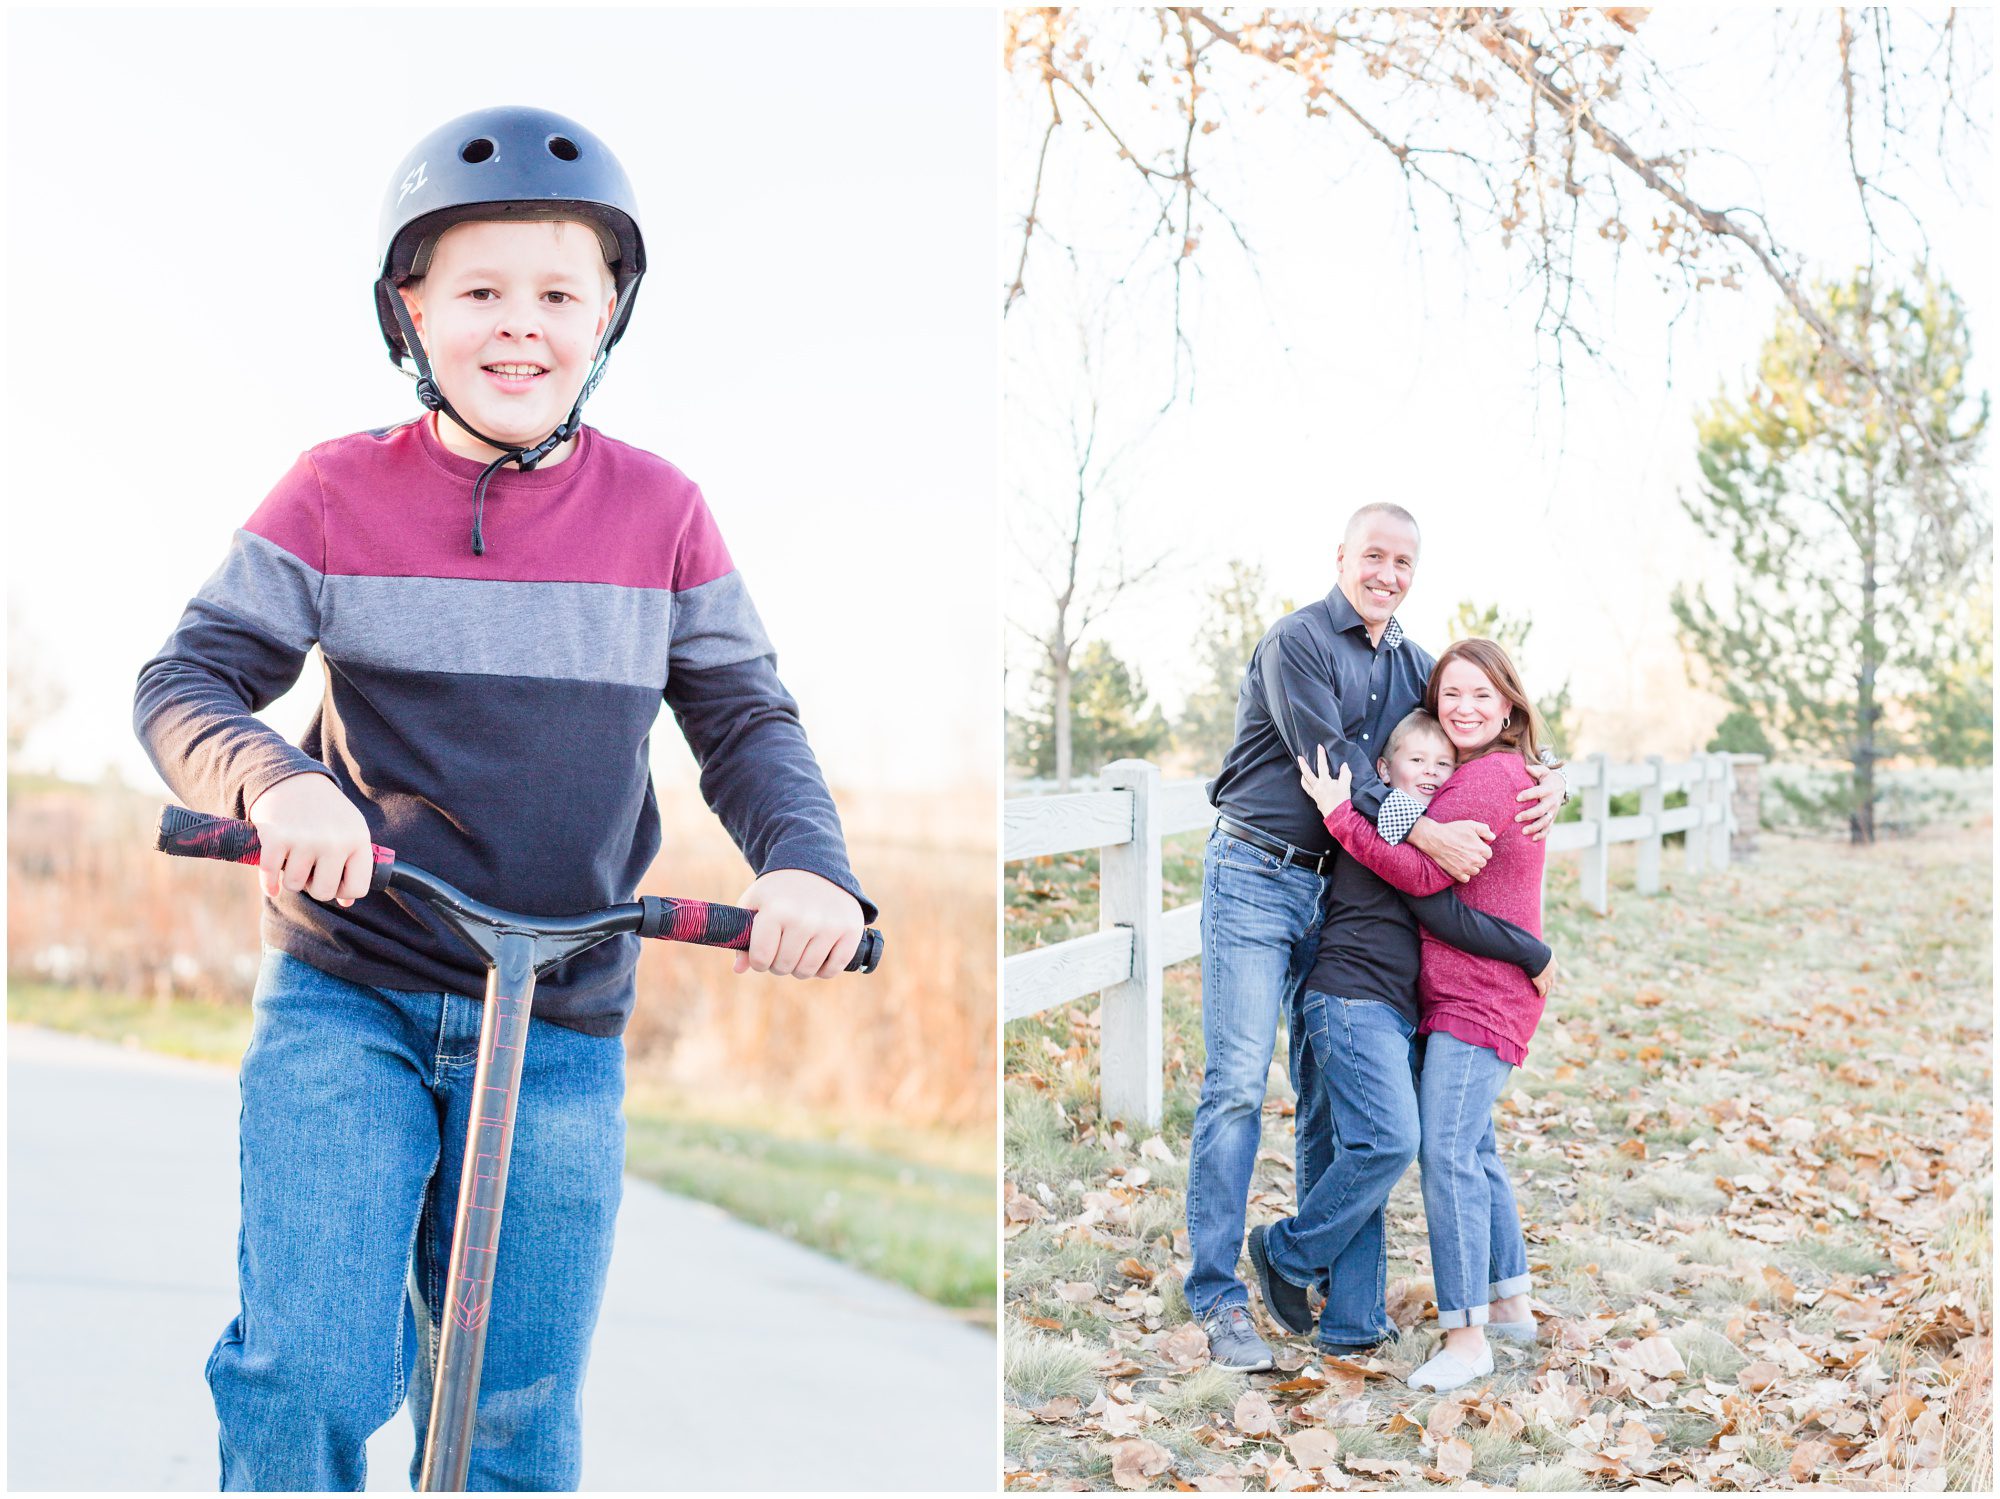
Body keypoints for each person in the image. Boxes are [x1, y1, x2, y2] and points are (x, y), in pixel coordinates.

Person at [133, 106, 873, 1489]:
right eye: (478, 291)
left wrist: (807, 864)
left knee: (509, 1414)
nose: (517, 325)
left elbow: (744, 715)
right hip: (351, 986)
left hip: (562, 1018)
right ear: (408, 310)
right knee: (315, 1369)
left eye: (557, 293)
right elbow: (187, 679)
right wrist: (279, 780)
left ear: (609, 317)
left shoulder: (662, 511)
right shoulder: (336, 492)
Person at [1187, 502, 1565, 1372]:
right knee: (1240, 1083)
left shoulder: (1416, 665)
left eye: (1403, 562)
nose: (1387, 574)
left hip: (1347, 894)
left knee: (1340, 1108)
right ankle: (1218, 1293)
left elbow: (1477, 728)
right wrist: (1427, 833)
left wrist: (1552, 775)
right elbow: (1340, 769)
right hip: (1257, 872)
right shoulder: (1297, 642)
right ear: (1342, 557)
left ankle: (1342, 1307)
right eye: (1373, 557)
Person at [1243, 710, 1555, 1356]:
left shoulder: (1418, 826)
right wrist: (1533, 953)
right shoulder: (1387, 823)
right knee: (1389, 1141)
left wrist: (1554, 775)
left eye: (1444, 766)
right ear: (1383, 768)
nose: (1432, 775)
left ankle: (1353, 1318)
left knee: (1377, 1145)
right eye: (1417, 761)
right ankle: (1288, 1251)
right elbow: (1434, 903)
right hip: (1352, 998)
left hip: (1396, 1009)